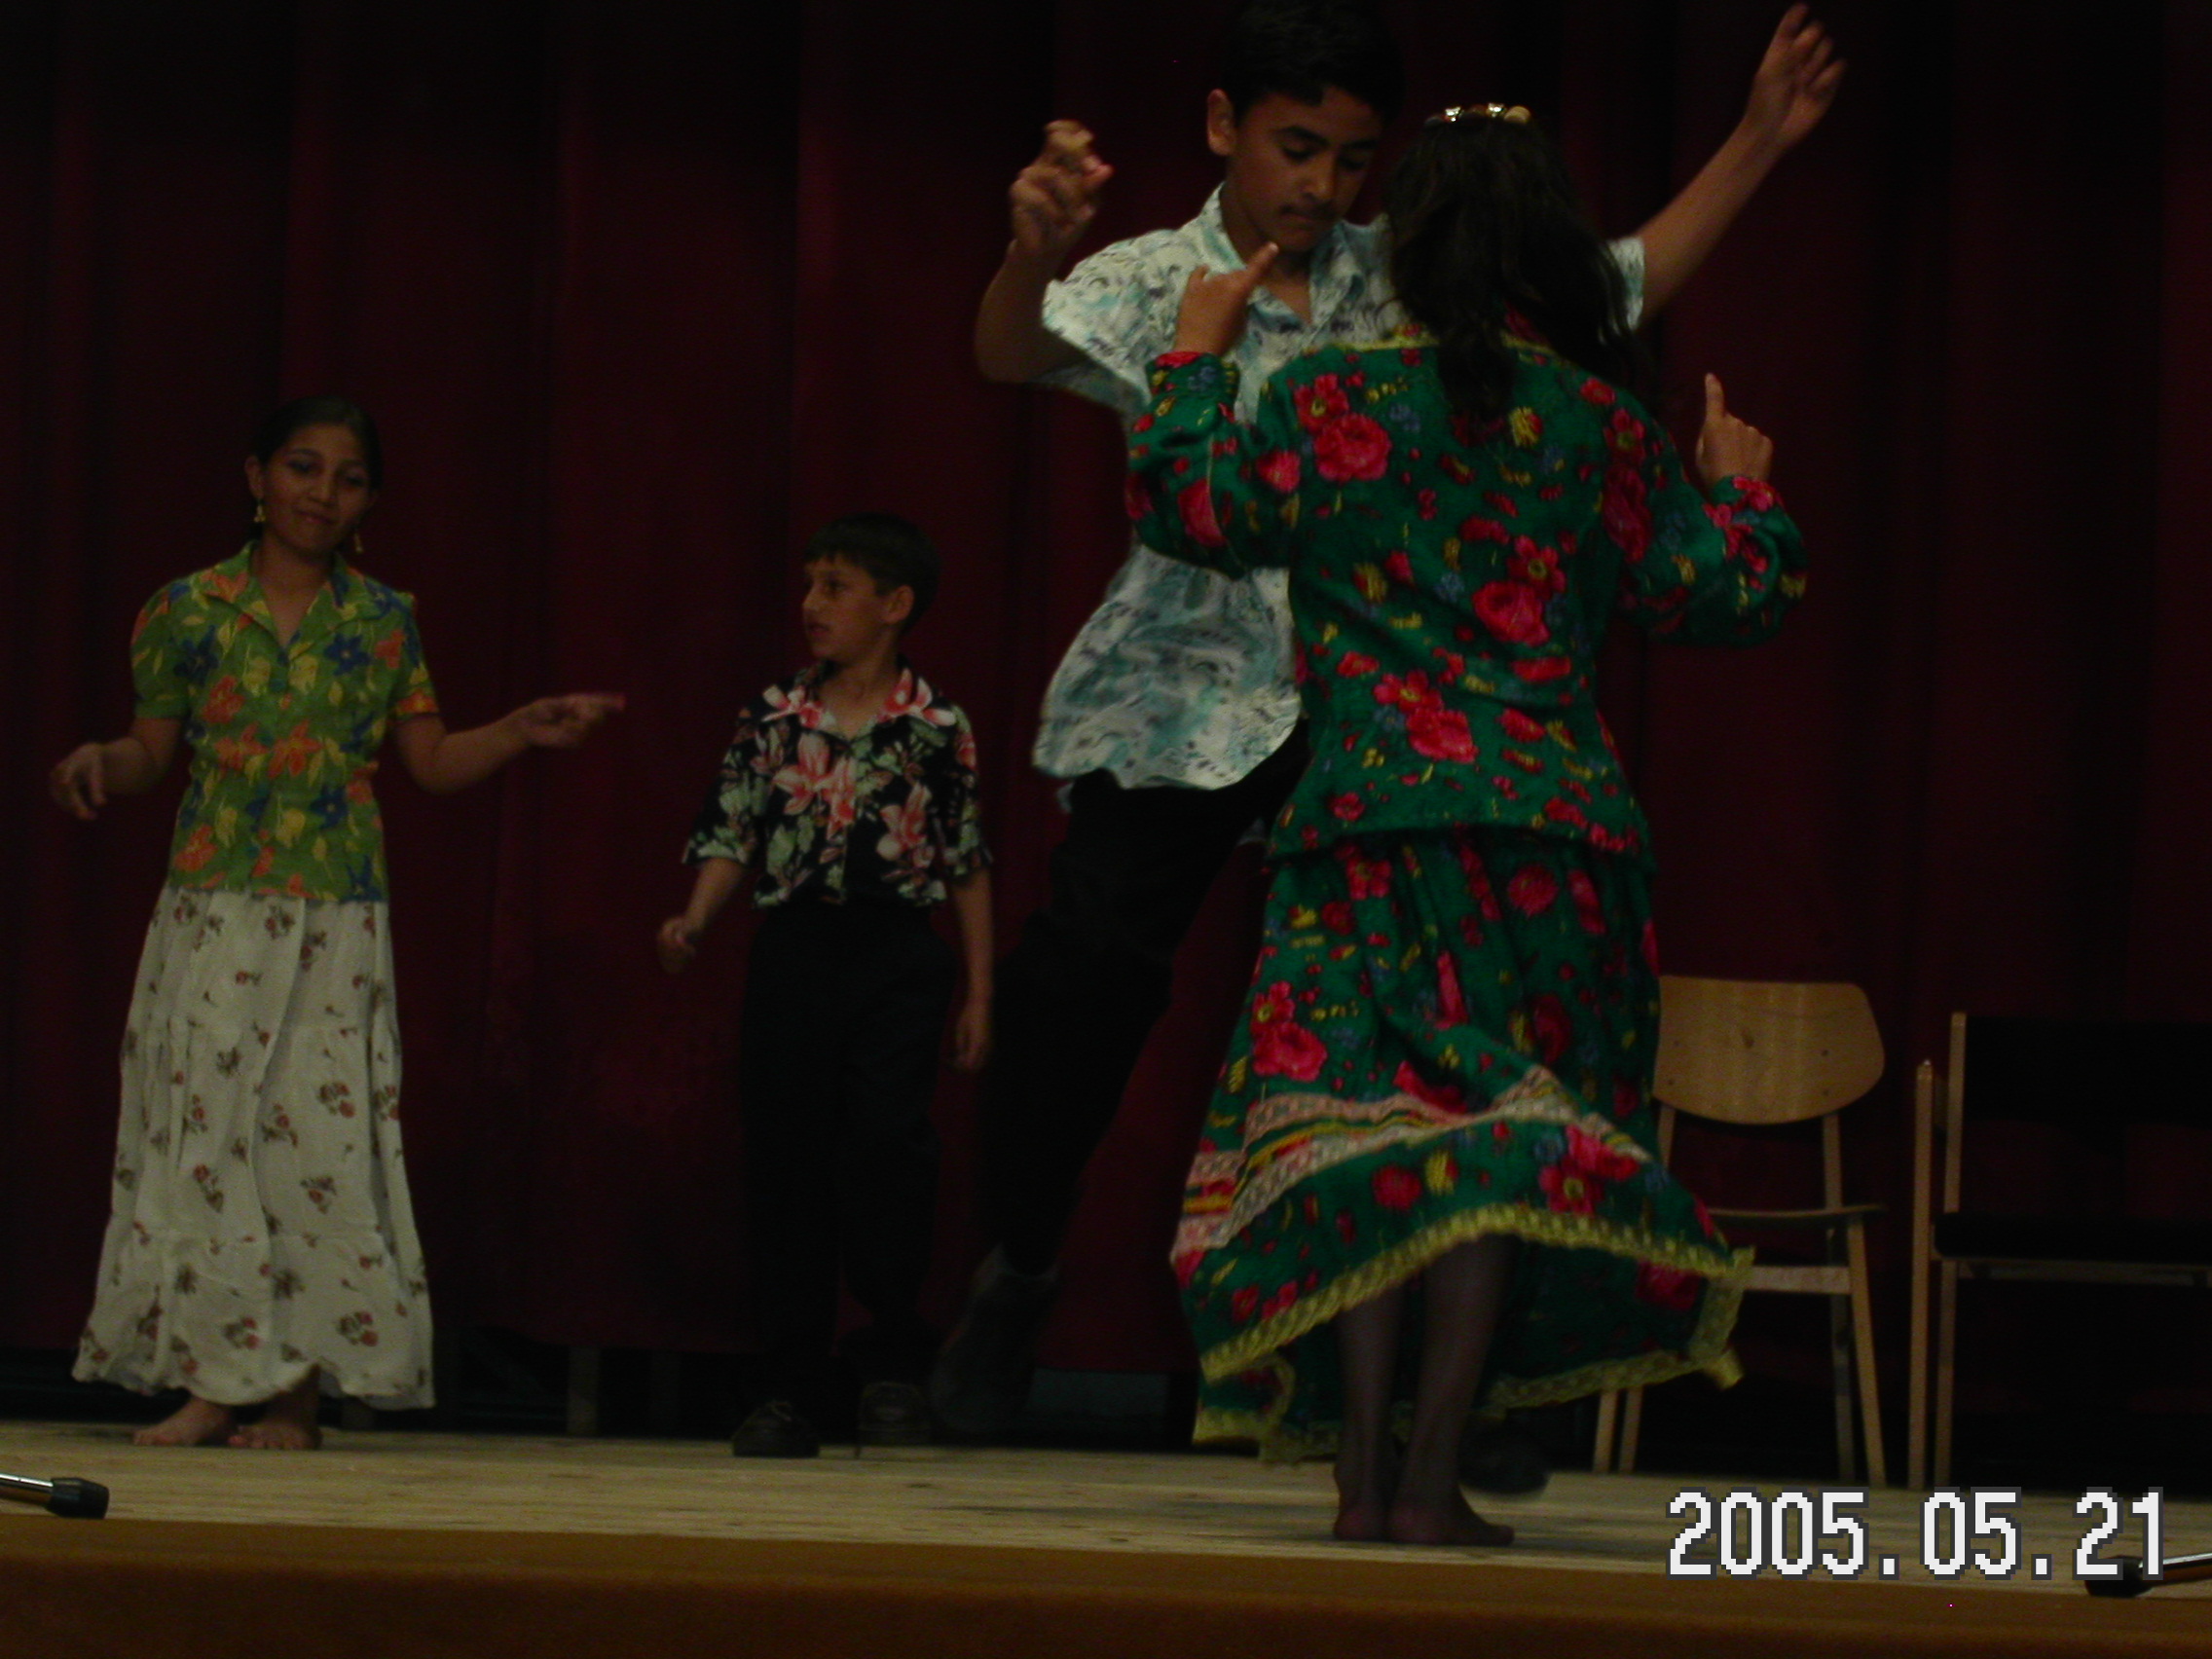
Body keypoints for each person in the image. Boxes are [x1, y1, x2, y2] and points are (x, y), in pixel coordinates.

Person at [936, 0, 1843, 1442]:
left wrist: (1755, 140)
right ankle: (1024, 1262)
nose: (1322, 186)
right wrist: (1032, 253)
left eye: (1354, 159)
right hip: (1186, 693)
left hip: (1380, 709)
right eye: (1296, 148)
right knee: (1083, 988)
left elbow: (1607, 283)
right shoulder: (1161, 276)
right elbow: (1006, 353)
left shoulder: (1411, 268)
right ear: (1224, 124)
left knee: (1433, 1029)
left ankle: (1442, 1389)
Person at [1121, 102, 1805, 1543]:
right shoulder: (1597, 425)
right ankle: (1432, 1475)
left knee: (1363, 1141)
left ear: (1409, 246)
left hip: (1367, 836)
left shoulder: (1332, 399)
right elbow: (1726, 598)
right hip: (1552, 848)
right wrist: (1742, 497)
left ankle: (1364, 1482)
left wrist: (1194, 357)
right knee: (1492, 1151)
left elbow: (1194, 507)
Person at [51, 396, 622, 1449]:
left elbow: (431, 762)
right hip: (214, 902)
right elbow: (149, 752)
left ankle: (296, 1393)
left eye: (348, 478)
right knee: (207, 1139)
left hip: (333, 912)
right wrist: (100, 761)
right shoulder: (186, 608)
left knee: (313, 1142)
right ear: (257, 476)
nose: (322, 493)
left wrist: (518, 730)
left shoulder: (382, 619)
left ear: (368, 502)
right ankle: (215, 1378)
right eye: (303, 467)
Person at [659, 513, 993, 1457]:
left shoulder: (937, 727)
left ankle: (889, 1363)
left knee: (888, 1150)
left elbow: (965, 860)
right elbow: (732, 830)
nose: (811, 604)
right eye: (809, 583)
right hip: (797, 953)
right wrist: (695, 918)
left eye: (835, 587)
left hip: (897, 956)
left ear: (895, 605)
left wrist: (980, 994)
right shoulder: (774, 716)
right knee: (787, 1159)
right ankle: (792, 1381)